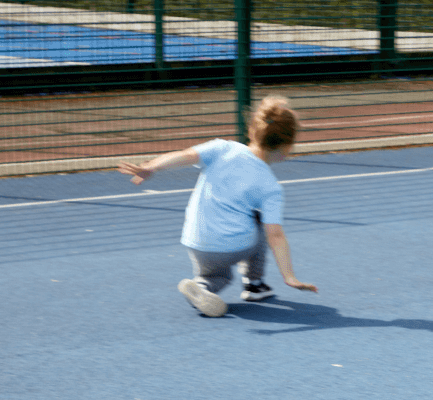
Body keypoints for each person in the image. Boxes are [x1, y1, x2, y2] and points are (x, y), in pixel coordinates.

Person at [118, 95, 317, 317]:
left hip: (195, 241)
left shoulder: (222, 148)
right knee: (260, 223)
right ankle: (255, 284)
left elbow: (185, 156)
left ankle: (202, 286)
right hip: (231, 247)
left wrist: (151, 166)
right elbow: (276, 235)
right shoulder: (270, 186)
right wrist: (289, 276)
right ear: (287, 147)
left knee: (214, 275)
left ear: (252, 130)